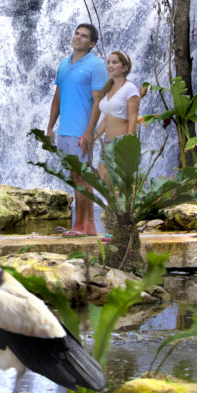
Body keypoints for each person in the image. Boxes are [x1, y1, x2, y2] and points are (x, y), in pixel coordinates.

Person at [47, 23, 107, 235]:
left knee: (84, 176)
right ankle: (80, 225)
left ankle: (86, 225)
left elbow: (98, 101)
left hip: (81, 130)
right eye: (76, 34)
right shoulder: (64, 64)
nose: (78, 38)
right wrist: (50, 127)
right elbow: (57, 97)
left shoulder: (96, 65)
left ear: (91, 43)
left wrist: (90, 131)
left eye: (83, 36)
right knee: (76, 177)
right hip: (64, 130)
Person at [94, 51, 140, 146]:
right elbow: (106, 119)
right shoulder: (107, 89)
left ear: (124, 68)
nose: (110, 65)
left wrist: (129, 146)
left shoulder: (130, 88)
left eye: (114, 62)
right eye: (109, 62)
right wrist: (92, 139)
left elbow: (133, 119)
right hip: (107, 143)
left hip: (122, 143)